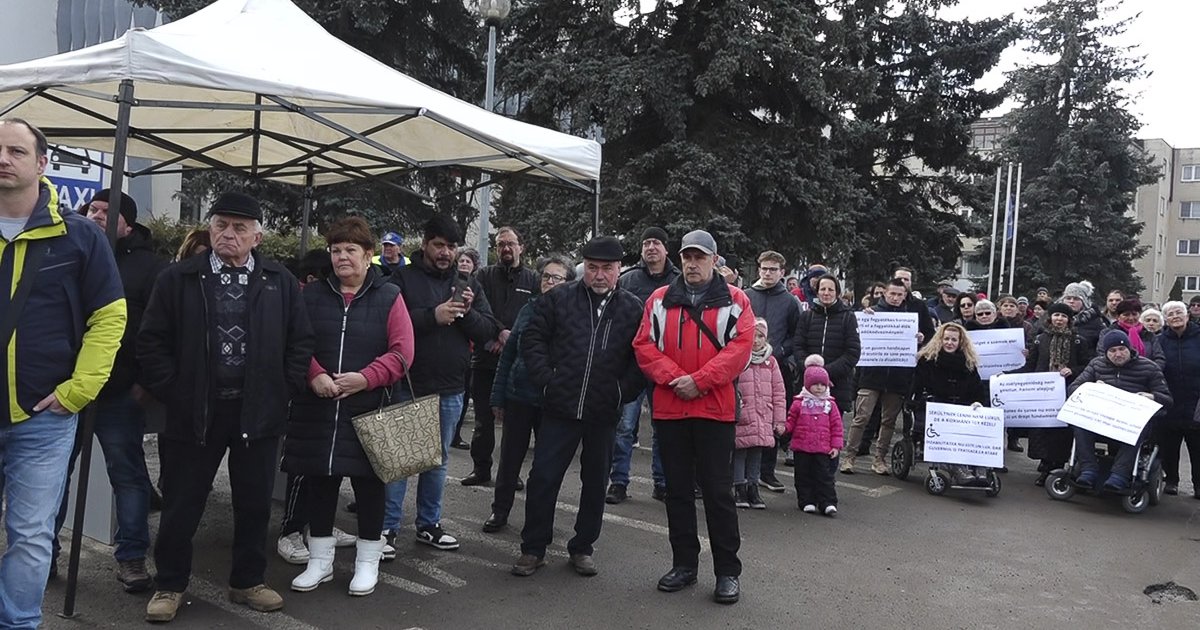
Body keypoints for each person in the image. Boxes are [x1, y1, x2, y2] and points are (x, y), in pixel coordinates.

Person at [138, 190, 314, 622]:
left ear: (257, 236)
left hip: (257, 409)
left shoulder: (280, 281)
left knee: (253, 502)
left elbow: (301, 341)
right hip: (194, 410)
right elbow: (151, 341)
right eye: (221, 225)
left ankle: (248, 581)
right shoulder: (178, 278)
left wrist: (283, 389)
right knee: (182, 502)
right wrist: (175, 390)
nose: (228, 235)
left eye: (239, 228)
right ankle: (170, 584)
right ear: (210, 228)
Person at [0, 118, 126, 629]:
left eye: (16, 150)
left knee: (30, 534)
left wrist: (79, 390)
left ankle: (19, 623)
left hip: (42, 418)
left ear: (42, 163)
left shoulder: (78, 237)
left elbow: (109, 314)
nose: (3, 159)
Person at [281, 217, 414, 597]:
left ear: (368, 255)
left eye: (350, 250)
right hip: (317, 408)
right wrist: (315, 375)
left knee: (369, 487)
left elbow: (403, 352)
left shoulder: (389, 296)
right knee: (320, 485)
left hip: (368, 409)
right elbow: (295, 342)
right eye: (336, 250)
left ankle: (367, 562)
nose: (342, 257)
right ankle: (319, 562)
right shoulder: (312, 296)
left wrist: (365, 378)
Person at [49, 189, 166, 592]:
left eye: (106, 211)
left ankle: (131, 558)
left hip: (118, 390)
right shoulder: (67, 251)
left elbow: (159, 331)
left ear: (127, 224)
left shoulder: (151, 268)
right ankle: (44, 556)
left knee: (129, 477)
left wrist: (146, 384)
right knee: (52, 476)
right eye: (92, 208)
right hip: (64, 389)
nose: (95, 214)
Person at [633, 229, 754, 605]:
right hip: (672, 411)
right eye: (687, 256)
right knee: (678, 493)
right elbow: (643, 346)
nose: (691, 263)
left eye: (699, 257)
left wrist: (698, 382)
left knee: (719, 494)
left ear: (714, 261)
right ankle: (684, 565)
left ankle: (727, 572)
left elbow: (740, 350)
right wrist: (676, 380)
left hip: (714, 412)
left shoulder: (736, 301)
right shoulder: (658, 300)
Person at [512, 236, 644, 578]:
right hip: (559, 407)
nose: (599, 275)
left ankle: (583, 547)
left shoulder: (633, 308)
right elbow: (534, 338)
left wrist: (620, 392)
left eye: (608, 269)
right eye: (593, 268)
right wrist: (546, 380)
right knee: (543, 477)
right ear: (584, 267)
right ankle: (533, 548)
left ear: (619, 270)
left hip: (603, 412)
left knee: (596, 480)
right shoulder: (559, 298)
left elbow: (641, 358)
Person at [383, 215, 499, 555]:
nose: (446, 252)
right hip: (409, 383)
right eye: (439, 245)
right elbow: (388, 322)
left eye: (451, 246)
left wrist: (466, 314)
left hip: (451, 387)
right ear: (425, 244)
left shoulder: (468, 284)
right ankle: (386, 528)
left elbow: (488, 329)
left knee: (437, 460)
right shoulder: (401, 279)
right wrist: (432, 317)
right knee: (400, 460)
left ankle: (428, 525)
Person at [483, 255, 574, 533]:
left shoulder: (574, 315)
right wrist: (497, 397)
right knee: (510, 459)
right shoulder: (528, 310)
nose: (549, 282)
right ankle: (500, 511)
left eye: (556, 278)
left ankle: (537, 521)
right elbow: (508, 356)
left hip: (553, 401)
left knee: (545, 467)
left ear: (569, 282)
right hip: (519, 396)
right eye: (546, 276)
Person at [462, 227, 538, 487]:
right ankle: (480, 468)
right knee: (483, 421)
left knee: (513, 425)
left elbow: (536, 318)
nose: (506, 248)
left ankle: (510, 473)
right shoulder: (482, 275)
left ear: (521, 247)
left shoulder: (533, 280)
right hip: (485, 359)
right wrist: (495, 335)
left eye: (511, 244)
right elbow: (477, 312)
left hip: (517, 364)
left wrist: (512, 341)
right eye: (500, 244)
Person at [609, 227, 679, 503]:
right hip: (631, 363)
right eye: (646, 243)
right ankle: (618, 482)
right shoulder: (628, 280)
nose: (651, 247)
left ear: (665, 249)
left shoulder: (679, 280)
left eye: (656, 243)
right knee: (625, 426)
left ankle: (662, 482)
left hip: (664, 364)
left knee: (662, 426)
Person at [1069, 331, 1172, 491]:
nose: (1118, 354)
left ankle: (1120, 475)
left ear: (1129, 349)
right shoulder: (1096, 364)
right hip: (1100, 418)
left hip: (1131, 422)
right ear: (1106, 353)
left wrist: (1152, 396)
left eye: (1121, 349)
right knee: (1079, 423)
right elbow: (1073, 388)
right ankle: (1088, 469)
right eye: (1112, 351)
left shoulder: (1149, 367)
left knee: (1137, 430)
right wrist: (1092, 388)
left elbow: (1167, 400)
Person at [841, 279, 922, 475]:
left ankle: (880, 459)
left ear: (905, 295)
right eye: (892, 294)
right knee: (861, 417)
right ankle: (849, 457)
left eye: (899, 294)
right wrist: (865, 319)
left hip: (896, 379)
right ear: (884, 293)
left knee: (888, 422)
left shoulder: (909, 319)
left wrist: (918, 340)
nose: (895, 298)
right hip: (871, 376)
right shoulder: (872, 313)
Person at [1013, 302, 1088, 485]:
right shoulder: (1040, 339)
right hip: (1043, 394)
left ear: (1069, 320)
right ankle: (1045, 467)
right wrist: (1007, 376)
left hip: (1067, 393)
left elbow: (1087, 365)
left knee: (1061, 432)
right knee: (1043, 431)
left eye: (1063, 316)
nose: (1059, 319)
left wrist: (1072, 370)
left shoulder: (1078, 341)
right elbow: (1030, 366)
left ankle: (1058, 467)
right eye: (1056, 316)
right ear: (1050, 318)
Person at [746, 250, 802, 493]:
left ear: (782, 272)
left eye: (773, 269)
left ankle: (766, 472)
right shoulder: (746, 296)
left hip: (775, 369)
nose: (768, 273)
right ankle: (742, 474)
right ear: (759, 269)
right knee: (745, 418)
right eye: (764, 268)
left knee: (771, 419)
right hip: (746, 367)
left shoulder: (790, 301)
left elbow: (796, 335)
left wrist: (780, 351)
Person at [911, 323, 989, 485]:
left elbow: (977, 388)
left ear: (960, 342)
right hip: (935, 407)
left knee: (978, 428)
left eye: (954, 339)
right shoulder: (928, 360)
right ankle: (957, 468)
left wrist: (978, 402)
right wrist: (915, 402)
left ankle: (980, 468)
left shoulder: (968, 363)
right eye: (946, 338)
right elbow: (916, 386)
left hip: (961, 407)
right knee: (950, 430)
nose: (949, 343)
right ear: (940, 339)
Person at [733, 319, 786, 510]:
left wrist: (779, 419)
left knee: (756, 452)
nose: (756, 340)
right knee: (739, 452)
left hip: (763, 414)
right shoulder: (739, 357)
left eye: (760, 336)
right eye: (753, 335)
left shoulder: (770, 362)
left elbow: (779, 392)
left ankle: (753, 487)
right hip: (743, 413)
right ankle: (739, 487)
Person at [792, 274, 861, 417]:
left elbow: (852, 352)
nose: (826, 293)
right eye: (823, 289)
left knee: (832, 432)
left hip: (837, 385)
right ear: (817, 292)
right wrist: (810, 371)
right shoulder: (807, 316)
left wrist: (825, 373)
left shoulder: (848, 317)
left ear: (837, 292)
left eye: (831, 289)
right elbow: (798, 346)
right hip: (808, 385)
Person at [786, 355, 843, 516]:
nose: (819, 388)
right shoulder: (799, 403)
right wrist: (784, 429)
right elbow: (791, 421)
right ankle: (806, 500)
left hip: (822, 448)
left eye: (822, 385)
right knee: (803, 475)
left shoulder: (830, 404)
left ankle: (827, 502)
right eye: (815, 384)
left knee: (824, 476)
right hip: (801, 447)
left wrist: (836, 446)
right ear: (807, 385)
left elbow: (837, 426)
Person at [1157, 301, 1200, 497]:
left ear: (1187, 316)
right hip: (1170, 399)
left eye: (1178, 313)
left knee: (1197, 447)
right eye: (1170, 314)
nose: (1175, 316)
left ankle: (1198, 485)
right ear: (1165, 319)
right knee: (1169, 445)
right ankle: (1171, 480)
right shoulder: (1160, 340)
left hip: (1196, 400)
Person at [449, 247, 482, 450]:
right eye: (461, 261)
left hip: (471, 350)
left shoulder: (477, 287)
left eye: (468, 262)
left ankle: (456, 433)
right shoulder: (450, 282)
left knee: (463, 394)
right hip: (453, 349)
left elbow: (484, 320)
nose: (464, 264)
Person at [1094, 298, 1164, 369]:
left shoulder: (1148, 335)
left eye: (1134, 314)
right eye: (1126, 314)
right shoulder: (1107, 333)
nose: (1131, 318)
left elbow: (1159, 358)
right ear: (1118, 316)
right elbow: (1102, 355)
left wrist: (1150, 372)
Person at [1060, 281, 1105, 351]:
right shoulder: (1052, 318)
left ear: (1084, 302)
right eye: (1068, 298)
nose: (1071, 301)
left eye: (1076, 299)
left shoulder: (1095, 322)